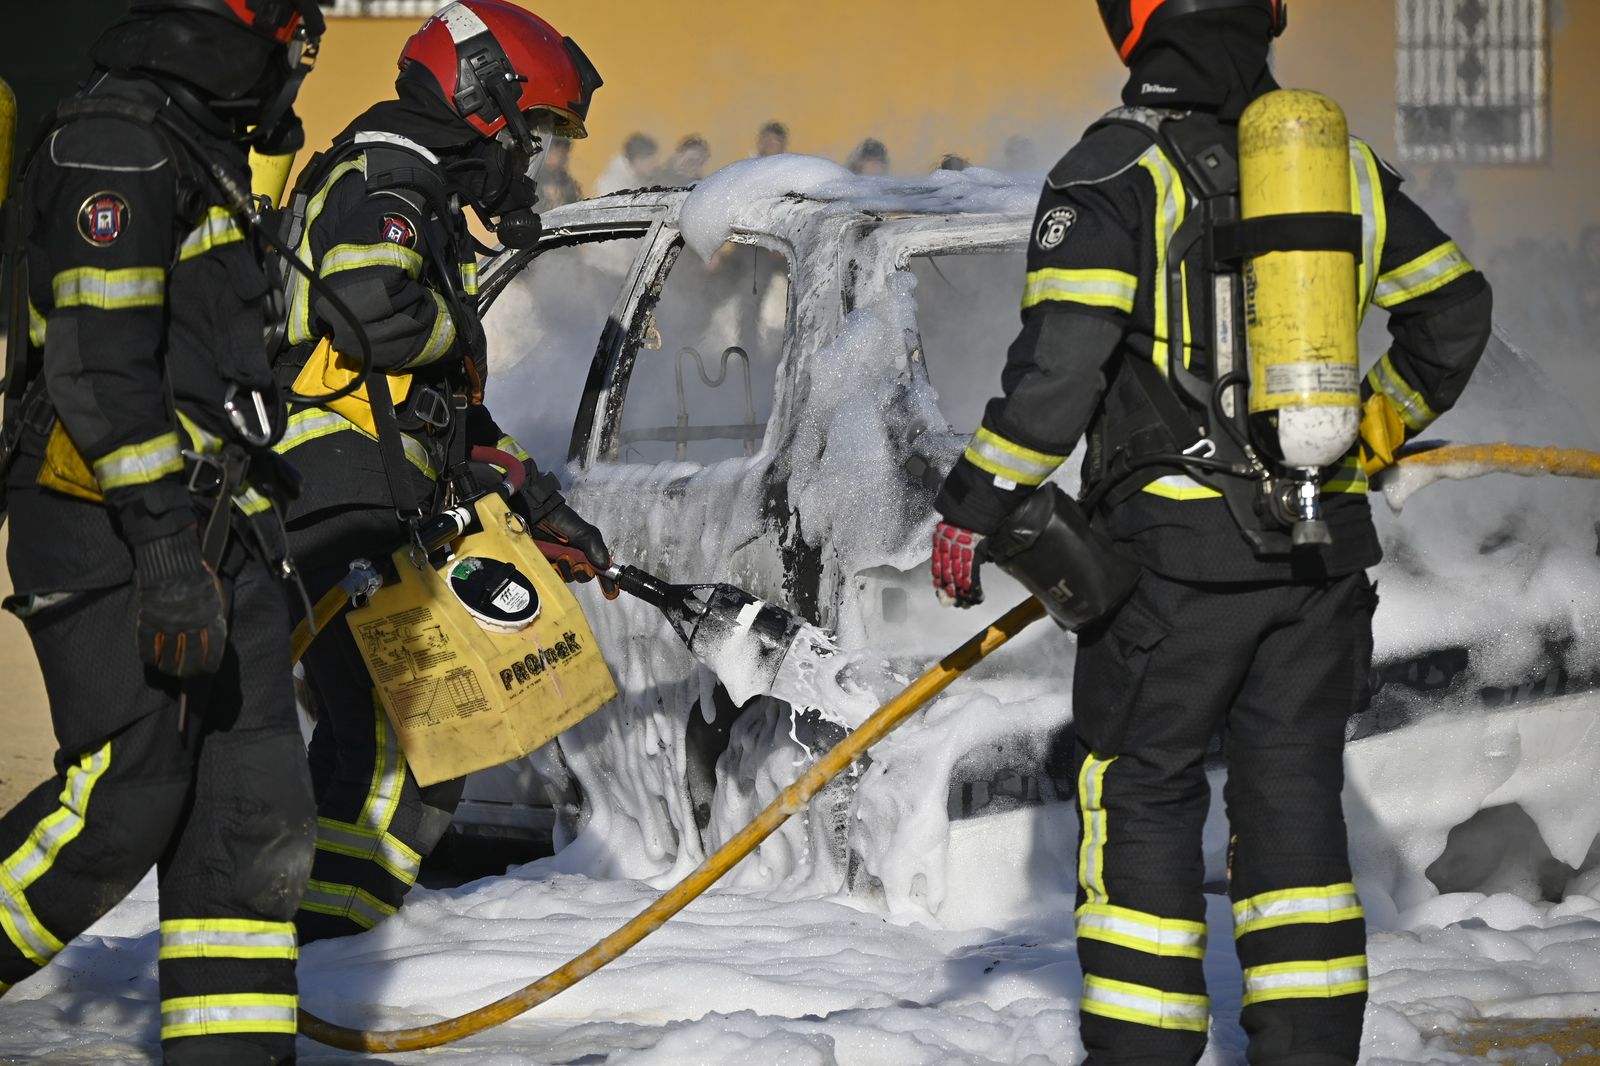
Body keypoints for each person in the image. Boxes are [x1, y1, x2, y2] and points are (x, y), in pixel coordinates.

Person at [929, 2, 1493, 1063]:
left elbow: (1057, 375)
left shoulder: (1112, 173)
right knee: (1291, 803)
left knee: (1141, 795)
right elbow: (1453, 311)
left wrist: (972, 503)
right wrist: (1365, 432)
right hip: (1320, 559)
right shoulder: (1336, 166)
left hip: (1170, 575)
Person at [0, 1, 325, 1061]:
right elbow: (95, 368)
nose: (297, 69)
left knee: (251, 818)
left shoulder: (203, 144)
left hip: (224, 525)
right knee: (126, 798)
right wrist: (162, 548)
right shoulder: (117, 145)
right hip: (113, 525)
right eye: (291, 45)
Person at [270, 0, 612, 943]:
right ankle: (337, 955)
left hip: (359, 480)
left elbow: (445, 408)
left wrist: (536, 502)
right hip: (344, 486)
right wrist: (457, 324)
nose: (534, 157)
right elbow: (370, 310)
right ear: (483, 99)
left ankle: (288, 943)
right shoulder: (392, 176)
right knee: (414, 744)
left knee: (361, 741)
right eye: (535, 130)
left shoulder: (410, 180)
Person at [595, 131, 658, 195]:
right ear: (638, 159)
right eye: (651, 162)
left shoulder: (638, 177)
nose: (655, 166)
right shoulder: (615, 183)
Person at [536, 136, 583, 210]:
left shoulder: (566, 180)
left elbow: (575, 203)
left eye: (565, 155)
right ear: (547, 153)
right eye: (558, 155)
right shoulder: (535, 177)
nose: (564, 160)